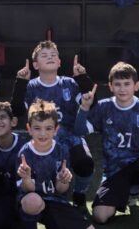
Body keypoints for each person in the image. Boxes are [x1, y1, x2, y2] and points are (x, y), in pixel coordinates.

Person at [74, 61, 139, 229]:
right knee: (100, 217)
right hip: (114, 171)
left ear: (136, 86)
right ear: (110, 86)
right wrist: (84, 108)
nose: (122, 88)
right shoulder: (103, 107)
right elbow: (80, 131)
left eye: (127, 84)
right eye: (118, 84)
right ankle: (127, 194)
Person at [10, 41, 95, 210]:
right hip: (42, 138)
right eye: (44, 55)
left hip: (70, 136)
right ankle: (39, 197)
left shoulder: (69, 83)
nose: (50, 57)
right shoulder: (31, 86)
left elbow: (91, 103)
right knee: (40, 171)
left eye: (53, 55)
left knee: (85, 162)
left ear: (59, 62)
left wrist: (82, 78)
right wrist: (20, 82)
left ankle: (79, 194)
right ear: (35, 65)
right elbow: (17, 111)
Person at [17, 100, 94, 229]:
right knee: (33, 202)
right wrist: (26, 178)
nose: (43, 133)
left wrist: (63, 180)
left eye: (48, 128)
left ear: (56, 129)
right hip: (31, 200)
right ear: (29, 129)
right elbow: (27, 190)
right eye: (37, 128)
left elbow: (60, 190)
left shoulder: (61, 150)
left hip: (55, 201)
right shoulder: (24, 153)